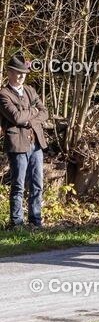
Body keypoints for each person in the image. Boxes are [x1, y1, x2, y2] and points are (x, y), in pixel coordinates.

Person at [0, 55, 48, 229]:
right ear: (9, 73)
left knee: (37, 184)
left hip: (36, 144)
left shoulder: (30, 90)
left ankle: (35, 221)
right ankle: (17, 223)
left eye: (24, 73)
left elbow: (45, 112)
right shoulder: (3, 94)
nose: (21, 76)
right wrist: (32, 112)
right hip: (17, 144)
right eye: (18, 73)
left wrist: (29, 117)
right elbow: (16, 117)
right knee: (18, 185)